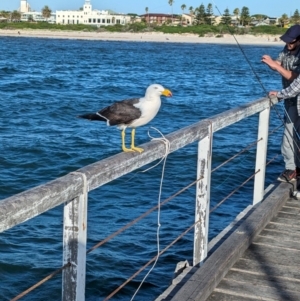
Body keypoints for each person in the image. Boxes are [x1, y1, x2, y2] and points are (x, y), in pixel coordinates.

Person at [262, 25, 300, 182]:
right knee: (289, 136)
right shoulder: (286, 49)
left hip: (294, 97)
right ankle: (292, 168)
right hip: (290, 100)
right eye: (286, 41)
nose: (288, 44)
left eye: (291, 41)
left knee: (291, 135)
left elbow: (296, 79)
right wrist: (271, 63)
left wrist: (276, 66)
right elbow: (278, 62)